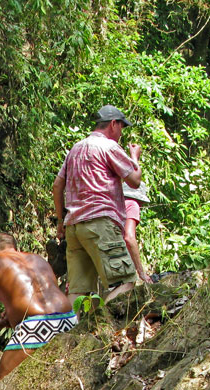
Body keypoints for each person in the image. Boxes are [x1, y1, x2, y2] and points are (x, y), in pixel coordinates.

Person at [52, 105, 142, 303]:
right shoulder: (109, 147)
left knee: (78, 293)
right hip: (100, 223)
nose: (121, 133)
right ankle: (105, 325)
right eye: (121, 127)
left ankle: (77, 334)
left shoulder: (75, 149)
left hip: (74, 227)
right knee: (125, 282)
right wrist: (135, 158)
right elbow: (134, 181)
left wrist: (61, 222)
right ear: (113, 124)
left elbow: (57, 185)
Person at [0, 232, 76, 386]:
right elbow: (44, 293)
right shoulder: (38, 259)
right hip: (68, 320)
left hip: (37, 326)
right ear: (15, 247)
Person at [123, 182, 151, 284]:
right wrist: (141, 271)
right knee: (127, 285)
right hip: (117, 253)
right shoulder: (132, 204)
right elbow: (129, 238)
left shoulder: (115, 204)